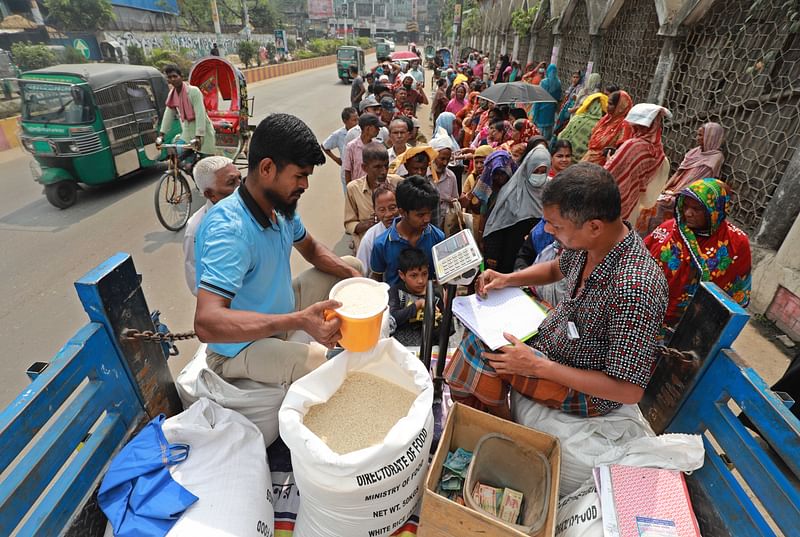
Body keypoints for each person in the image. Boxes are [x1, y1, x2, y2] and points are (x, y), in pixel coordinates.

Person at [444, 163, 669, 419]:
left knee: (478, 348)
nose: (548, 231)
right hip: (556, 339)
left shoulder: (635, 289)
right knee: (482, 333)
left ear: (594, 226)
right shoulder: (592, 242)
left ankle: (500, 423)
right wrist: (507, 279)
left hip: (585, 387)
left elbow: (628, 391)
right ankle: (487, 411)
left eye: (556, 226)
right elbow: (554, 269)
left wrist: (538, 366)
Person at [194, 113, 362, 388]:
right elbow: (206, 322)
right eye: (299, 176)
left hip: (280, 313)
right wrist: (299, 320)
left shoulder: (280, 208)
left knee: (353, 267)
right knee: (326, 363)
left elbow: (311, 249)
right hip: (239, 347)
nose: (305, 185)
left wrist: (355, 278)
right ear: (267, 168)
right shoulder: (229, 230)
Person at [643, 178, 751, 328]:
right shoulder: (669, 228)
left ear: (715, 210)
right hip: (645, 312)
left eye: (697, 209)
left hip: (689, 326)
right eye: (685, 206)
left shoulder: (736, 243)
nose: (688, 213)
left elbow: (734, 296)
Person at [635, 122, 725, 235]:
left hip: (688, 196)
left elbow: (696, 183)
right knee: (647, 196)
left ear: (710, 137)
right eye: (698, 135)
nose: (697, 138)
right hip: (674, 189)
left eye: (701, 135)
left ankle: (649, 236)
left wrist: (674, 194)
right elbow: (678, 173)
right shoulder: (695, 152)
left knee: (657, 205)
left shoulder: (715, 158)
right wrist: (664, 188)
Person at [482, 145, 551, 273]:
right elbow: (496, 226)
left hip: (541, 258)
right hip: (511, 255)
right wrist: (492, 257)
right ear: (527, 168)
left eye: (543, 171)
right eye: (536, 171)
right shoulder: (511, 191)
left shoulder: (552, 190)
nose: (539, 176)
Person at [370, 175, 445, 286]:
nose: (427, 219)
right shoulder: (381, 244)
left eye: (429, 213)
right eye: (420, 215)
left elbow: (442, 277)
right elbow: (376, 280)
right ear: (403, 212)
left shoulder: (438, 237)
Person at [183, 156, 241, 295]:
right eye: (232, 183)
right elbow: (196, 282)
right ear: (210, 194)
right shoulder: (196, 229)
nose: (241, 187)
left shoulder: (254, 207)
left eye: (240, 178)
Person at [604, 103, 671, 220]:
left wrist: (610, 160)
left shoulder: (632, 146)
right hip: (634, 206)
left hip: (613, 203)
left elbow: (609, 172)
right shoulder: (659, 152)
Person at [344, 142, 399, 251]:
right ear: (364, 167)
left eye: (386, 166)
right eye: (377, 167)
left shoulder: (397, 182)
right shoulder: (353, 189)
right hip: (367, 248)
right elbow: (349, 223)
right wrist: (368, 224)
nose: (383, 171)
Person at [388, 246, 445, 346]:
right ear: (402, 275)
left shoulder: (434, 296)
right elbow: (392, 319)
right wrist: (418, 304)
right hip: (400, 347)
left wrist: (438, 319)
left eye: (424, 274)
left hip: (427, 349)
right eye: (414, 275)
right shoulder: (395, 291)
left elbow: (444, 332)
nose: (420, 280)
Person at [158, 64, 216, 158]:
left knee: (207, 161)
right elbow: (168, 115)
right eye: (170, 77)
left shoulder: (194, 91)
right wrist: (161, 135)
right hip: (187, 132)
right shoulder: (172, 95)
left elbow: (200, 113)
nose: (173, 79)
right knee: (180, 154)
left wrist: (199, 136)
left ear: (181, 77)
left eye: (175, 76)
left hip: (202, 132)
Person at [356, 183, 399, 276]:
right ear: (375, 210)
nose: (388, 214)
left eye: (392, 208)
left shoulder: (411, 229)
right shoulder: (369, 239)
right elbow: (361, 274)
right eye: (382, 210)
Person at [582, 90, 633, 166]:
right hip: (588, 158)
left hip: (602, 165)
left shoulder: (624, 126)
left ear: (620, 107)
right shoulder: (606, 119)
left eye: (610, 104)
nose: (606, 106)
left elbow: (620, 151)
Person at [555, 92, 608, 162]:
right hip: (581, 163)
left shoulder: (578, 117)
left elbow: (562, 136)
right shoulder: (601, 127)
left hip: (564, 157)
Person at [322, 107, 359, 193]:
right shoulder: (338, 134)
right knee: (350, 199)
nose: (357, 123)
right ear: (345, 121)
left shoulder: (360, 131)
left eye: (358, 119)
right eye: (354, 120)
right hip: (347, 173)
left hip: (359, 172)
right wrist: (337, 159)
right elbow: (324, 146)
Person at [428, 128, 460, 230]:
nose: (445, 163)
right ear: (433, 156)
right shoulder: (424, 175)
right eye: (442, 159)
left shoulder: (451, 177)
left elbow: (455, 199)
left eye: (448, 159)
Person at [343, 113, 383, 184]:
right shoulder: (351, 147)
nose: (379, 130)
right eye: (376, 127)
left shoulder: (378, 146)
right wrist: (350, 191)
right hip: (358, 188)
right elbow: (347, 171)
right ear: (367, 128)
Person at [531, 64, 562, 141]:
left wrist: (534, 114)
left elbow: (539, 97)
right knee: (548, 132)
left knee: (539, 132)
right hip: (551, 110)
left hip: (541, 109)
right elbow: (558, 98)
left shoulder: (544, 82)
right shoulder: (558, 83)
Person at [459, 144, 493, 214]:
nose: (478, 166)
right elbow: (462, 204)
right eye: (476, 162)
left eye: (482, 162)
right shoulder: (471, 177)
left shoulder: (497, 178)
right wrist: (474, 188)